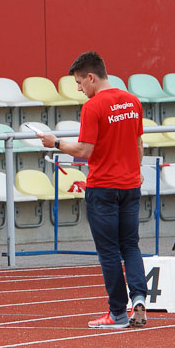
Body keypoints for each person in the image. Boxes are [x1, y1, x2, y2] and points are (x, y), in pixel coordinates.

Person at [37, 51, 148, 329]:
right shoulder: (133, 101)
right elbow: (138, 144)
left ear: (91, 77)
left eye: (79, 82)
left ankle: (117, 313)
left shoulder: (93, 107)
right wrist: (136, 170)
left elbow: (85, 151)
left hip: (103, 188)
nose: (78, 88)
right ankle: (138, 299)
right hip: (130, 185)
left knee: (109, 251)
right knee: (131, 246)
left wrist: (55, 143)